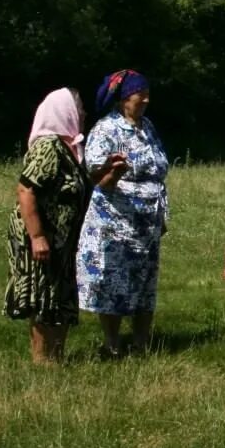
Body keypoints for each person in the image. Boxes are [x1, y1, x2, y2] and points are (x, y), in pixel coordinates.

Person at [76, 69, 169, 358]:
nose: (145, 99)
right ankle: (112, 344)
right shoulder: (106, 130)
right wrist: (114, 173)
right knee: (114, 282)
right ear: (124, 98)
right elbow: (95, 176)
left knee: (144, 283)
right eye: (140, 93)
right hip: (116, 221)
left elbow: (158, 168)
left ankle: (141, 342)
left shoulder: (147, 127)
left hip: (147, 223)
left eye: (146, 93)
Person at [5, 88, 98, 363]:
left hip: (62, 241)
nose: (82, 114)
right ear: (63, 112)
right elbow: (26, 190)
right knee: (43, 295)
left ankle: (57, 357)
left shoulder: (70, 149)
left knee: (60, 295)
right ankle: (42, 360)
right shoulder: (49, 147)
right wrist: (38, 236)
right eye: (78, 109)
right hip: (42, 237)